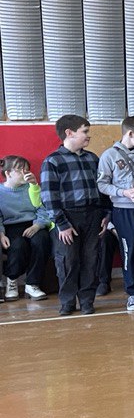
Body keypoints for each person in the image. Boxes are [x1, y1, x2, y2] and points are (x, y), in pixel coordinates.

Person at [40, 115, 110, 316]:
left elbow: (102, 189)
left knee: (91, 259)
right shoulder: (53, 161)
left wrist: (106, 214)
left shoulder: (92, 159)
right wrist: (61, 223)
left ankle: (87, 301)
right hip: (68, 217)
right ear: (69, 133)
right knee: (68, 261)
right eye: (84, 132)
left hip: (93, 215)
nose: (88, 136)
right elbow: (49, 196)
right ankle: (67, 301)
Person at [96, 117, 134, 312]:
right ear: (130, 134)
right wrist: (123, 192)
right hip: (123, 211)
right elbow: (102, 184)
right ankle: (133, 293)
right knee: (128, 251)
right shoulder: (109, 156)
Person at [0, 156, 52, 301]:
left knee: (41, 240)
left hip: (33, 223)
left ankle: (32, 284)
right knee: (17, 245)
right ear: (8, 173)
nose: (25, 173)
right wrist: (1, 234)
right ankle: (12, 280)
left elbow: (42, 208)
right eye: (20, 170)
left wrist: (38, 225)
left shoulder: (32, 188)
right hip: (10, 226)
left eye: (27, 170)